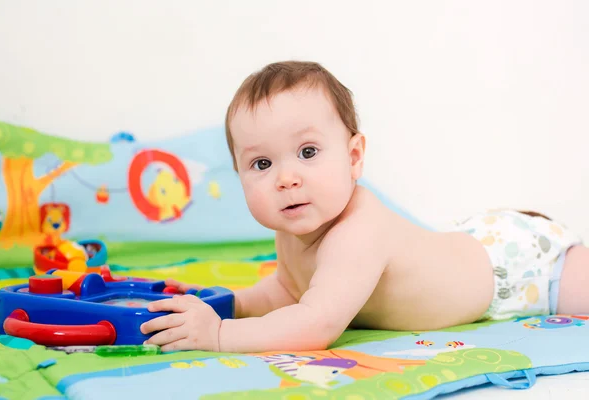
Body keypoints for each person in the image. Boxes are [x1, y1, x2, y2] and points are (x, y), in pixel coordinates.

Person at [140, 61, 589, 353]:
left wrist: (219, 334)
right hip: (468, 243)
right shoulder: (295, 224)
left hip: (520, 269)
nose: (286, 177)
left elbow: (315, 325)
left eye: (309, 152)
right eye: (262, 163)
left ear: (354, 157)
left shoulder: (358, 232)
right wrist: (228, 304)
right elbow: (288, 291)